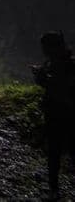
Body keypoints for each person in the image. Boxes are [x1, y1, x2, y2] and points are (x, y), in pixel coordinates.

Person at [33, 30, 75, 199]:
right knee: (54, 152)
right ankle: (53, 189)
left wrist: (44, 78)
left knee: (66, 150)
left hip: (67, 112)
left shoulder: (69, 65)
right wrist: (41, 78)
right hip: (54, 112)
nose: (44, 51)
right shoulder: (52, 63)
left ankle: (54, 190)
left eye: (46, 47)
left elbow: (62, 87)